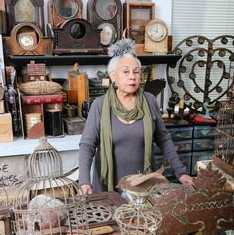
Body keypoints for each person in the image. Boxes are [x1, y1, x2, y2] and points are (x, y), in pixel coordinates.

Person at [78, 38, 194, 194]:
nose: (132, 76)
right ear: (113, 76)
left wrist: (181, 171)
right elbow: (87, 145)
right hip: (108, 184)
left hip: (143, 183)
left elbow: (164, 139)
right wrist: (84, 181)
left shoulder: (150, 101)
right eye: (125, 72)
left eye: (136, 72)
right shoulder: (100, 105)